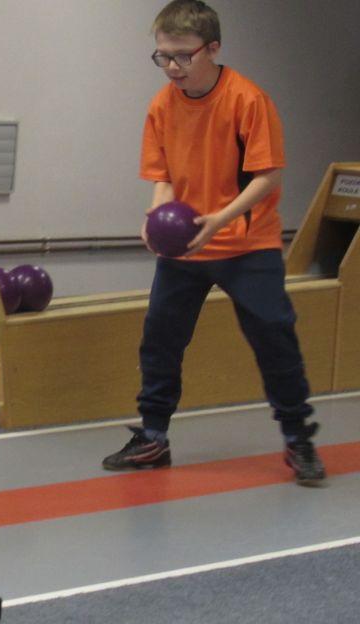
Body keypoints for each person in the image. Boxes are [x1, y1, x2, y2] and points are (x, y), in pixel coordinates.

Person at [102, 0, 325, 486]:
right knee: (160, 339)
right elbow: (162, 175)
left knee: (275, 339)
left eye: (183, 55)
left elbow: (268, 176)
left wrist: (218, 220)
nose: (173, 67)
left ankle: (298, 439)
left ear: (214, 48)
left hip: (248, 246)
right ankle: (153, 437)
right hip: (185, 249)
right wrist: (156, 216)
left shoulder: (248, 100)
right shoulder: (162, 106)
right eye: (163, 56)